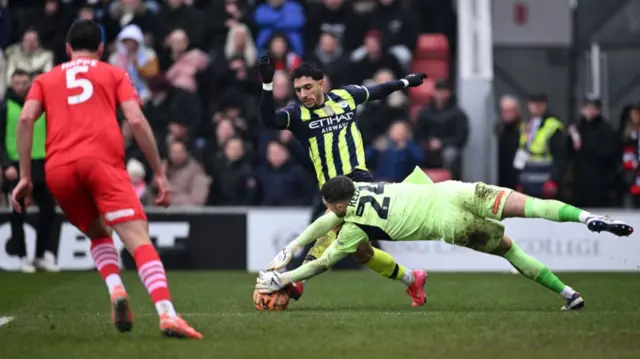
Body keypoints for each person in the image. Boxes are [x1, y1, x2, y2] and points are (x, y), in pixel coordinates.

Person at [10, 19, 202, 339]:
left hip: (59, 169)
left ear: (68, 49)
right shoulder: (113, 73)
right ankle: (167, 314)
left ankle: (115, 289)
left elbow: (27, 118)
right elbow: (136, 120)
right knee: (137, 235)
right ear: (101, 49)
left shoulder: (45, 79)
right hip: (102, 163)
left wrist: (26, 176)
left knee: (98, 232)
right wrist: (159, 172)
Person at [257, 171, 633, 310]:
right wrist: (290, 249)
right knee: (531, 205)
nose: (330, 214)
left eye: (331, 208)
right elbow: (324, 222)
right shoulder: (365, 184)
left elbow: (323, 261)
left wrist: (285, 277)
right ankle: (587, 217)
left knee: (511, 250)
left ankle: (568, 293)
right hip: (454, 191)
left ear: (338, 204)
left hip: (450, 224)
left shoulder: (354, 227)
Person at [259, 55, 429, 306]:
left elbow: (378, 90)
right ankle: (412, 278)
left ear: (321, 83)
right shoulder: (296, 114)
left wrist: (405, 82)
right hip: (328, 188)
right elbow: (268, 120)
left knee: (334, 224)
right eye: (297, 90)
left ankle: (298, 280)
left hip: (357, 181)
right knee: (363, 253)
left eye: (307, 87)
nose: (303, 94)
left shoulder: (345, 96)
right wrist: (266, 85)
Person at [1, 69, 57, 273]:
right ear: (11, 84)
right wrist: (5, 164)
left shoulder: (43, 105)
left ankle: (42, 255)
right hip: (16, 166)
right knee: (18, 213)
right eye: (17, 83)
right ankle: (22, 256)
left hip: (42, 163)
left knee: (49, 210)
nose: (21, 86)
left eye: (25, 82)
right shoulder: (5, 107)